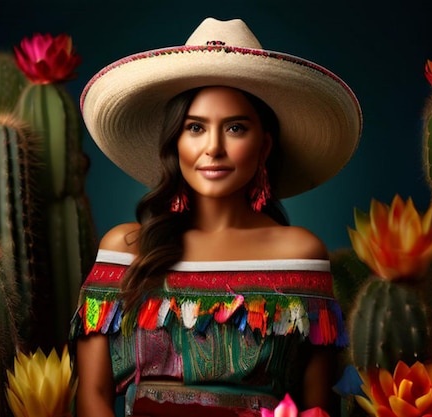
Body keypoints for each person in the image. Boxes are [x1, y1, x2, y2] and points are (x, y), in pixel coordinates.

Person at [70, 17, 362, 417]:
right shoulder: (124, 249)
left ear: (264, 145)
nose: (213, 148)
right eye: (195, 127)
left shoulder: (299, 252)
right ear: (175, 141)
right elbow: (93, 398)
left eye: (236, 128)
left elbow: (317, 408)